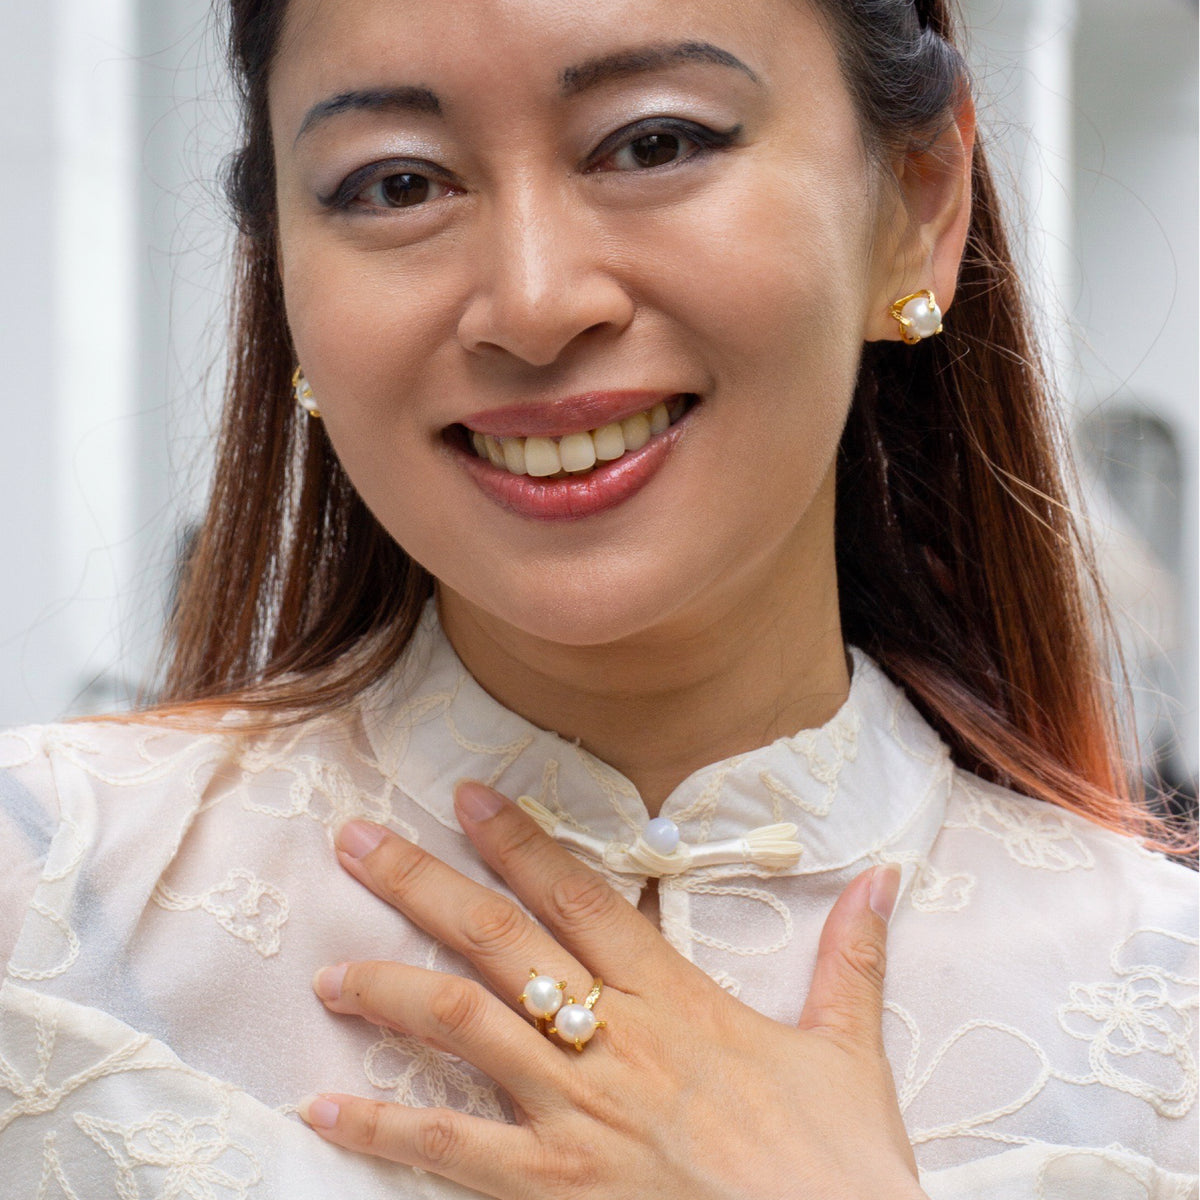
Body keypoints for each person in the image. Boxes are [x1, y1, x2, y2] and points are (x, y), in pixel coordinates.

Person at [0, 0, 1195, 1195]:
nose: (532, 301)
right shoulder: (46, 902)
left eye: (654, 144)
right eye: (396, 184)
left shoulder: (1164, 1022)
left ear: (919, 201)